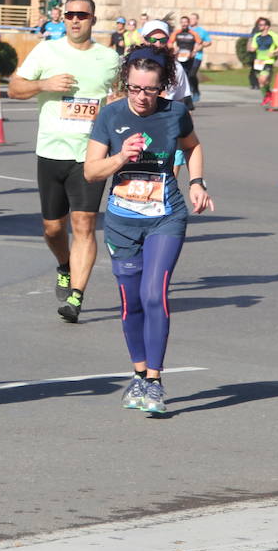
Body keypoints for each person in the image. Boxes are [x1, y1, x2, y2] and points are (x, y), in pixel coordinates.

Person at [85, 48, 213, 415]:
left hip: (165, 217)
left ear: (163, 88)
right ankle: (139, 374)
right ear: (125, 82)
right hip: (122, 222)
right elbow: (91, 172)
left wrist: (197, 182)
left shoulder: (175, 114)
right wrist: (121, 156)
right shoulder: (110, 115)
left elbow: (193, 146)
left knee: (154, 293)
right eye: (135, 88)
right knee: (132, 301)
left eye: (150, 90)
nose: (142, 97)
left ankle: (154, 382)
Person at [10, 0, 120, 323]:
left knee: (84, 223)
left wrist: (117, 101)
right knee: (52, 228)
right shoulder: (47, 50)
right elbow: (14, 88)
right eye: (70, 14)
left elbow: (121, 95)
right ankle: (63, 263)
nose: (75, 20)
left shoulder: (109, 58)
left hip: (91, 153)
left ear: (93, 21)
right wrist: (45, 83)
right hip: (52, 150)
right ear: (63, 19)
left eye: (82, 15)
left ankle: (76, 296)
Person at [137, 21, 193, 107]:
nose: (158, 44)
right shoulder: (133, 65)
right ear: (144, 40)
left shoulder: (176, 68)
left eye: (163, 40)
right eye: (152, 40)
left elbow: (181, 102)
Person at [249, 17, 278, 92]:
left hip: (268, 61)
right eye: (259, 25)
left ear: (267, 26)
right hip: (259, 61)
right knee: (261, 82)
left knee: (263, 79)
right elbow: (254, 47)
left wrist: (274, 52)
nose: (259, 26)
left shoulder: (273, 35)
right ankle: (267, 96)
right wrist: (251, 49)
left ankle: (268, 94)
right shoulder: (256, 36)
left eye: (261, 25)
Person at [173, 15, 201, 101]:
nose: (184, 24)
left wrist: (194, 51)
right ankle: (182, 96)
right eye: (182, 22)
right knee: (180, 76)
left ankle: (194, 92)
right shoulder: (176, 33)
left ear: (188, 23)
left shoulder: (193, 33)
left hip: (190, 58)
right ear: (180, 23)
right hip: (179, 57)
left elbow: (199, 43)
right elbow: (170, 42)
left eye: (186, 22)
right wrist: (174, 49)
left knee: (190, 76)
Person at [188, 12, 211, 102]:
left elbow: (208, 42)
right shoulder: (186, 30)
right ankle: (189, 92)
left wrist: (202, 45)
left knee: (192, 74)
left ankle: (196, 91)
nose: (191, 20)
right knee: (186, 75)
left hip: (197, 56)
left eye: (193, 18)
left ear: (197, 20)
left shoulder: (202, 31)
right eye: (190, 18)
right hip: (186, 56)